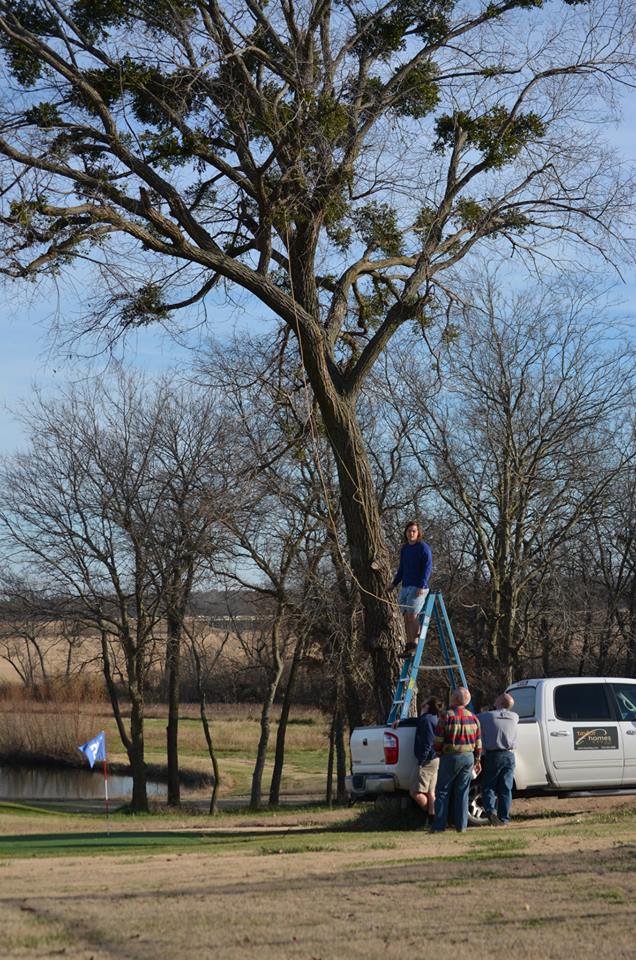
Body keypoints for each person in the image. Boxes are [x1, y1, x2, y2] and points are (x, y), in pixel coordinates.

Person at [430, 687, 481, 834]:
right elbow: (478, 742)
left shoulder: (446, 716)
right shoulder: (474, 718)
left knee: (443, 791)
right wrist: (477, 760)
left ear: (456, 699)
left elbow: (438, 740)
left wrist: (438, 752)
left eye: (452, 695)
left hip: (450, 756)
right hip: (468, 757)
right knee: (462, 792)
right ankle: (462, 826)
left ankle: (439, 826)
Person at [388, 521, 433, 657]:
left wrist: (422, 584)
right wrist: (394, 584)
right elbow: (402, 569)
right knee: (405, 617)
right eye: (409, 531)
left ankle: (414, 645)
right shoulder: (405, 549)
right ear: (405, 533)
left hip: (418, 587)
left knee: (412, 616)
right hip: (405, 586)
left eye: (414, 531)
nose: (411, 533)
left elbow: (428, 567)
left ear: (418, 533)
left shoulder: (423, 548)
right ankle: (409, 645)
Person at [478, 692, 519, 826]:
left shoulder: (488, 716)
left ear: (500, 703)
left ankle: (490, 810)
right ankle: (504, 818)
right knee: (506, 788)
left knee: (489, 785)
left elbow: (474, 719)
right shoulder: (514, 717)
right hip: (509, 755)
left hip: (493, 755)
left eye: (497, 698)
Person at [410, 696, 442, 826]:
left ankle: (435, 815)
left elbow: (428, 742)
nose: (420, 705)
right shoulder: (432, 718)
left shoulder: (427, 720)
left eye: (423, 704)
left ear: (427, 706)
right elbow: (415, 721)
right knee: (430, 792)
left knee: (415, 792)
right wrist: (401, 722)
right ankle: (434, 819)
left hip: (427, 760)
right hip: (435, 759)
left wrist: (421, 760)